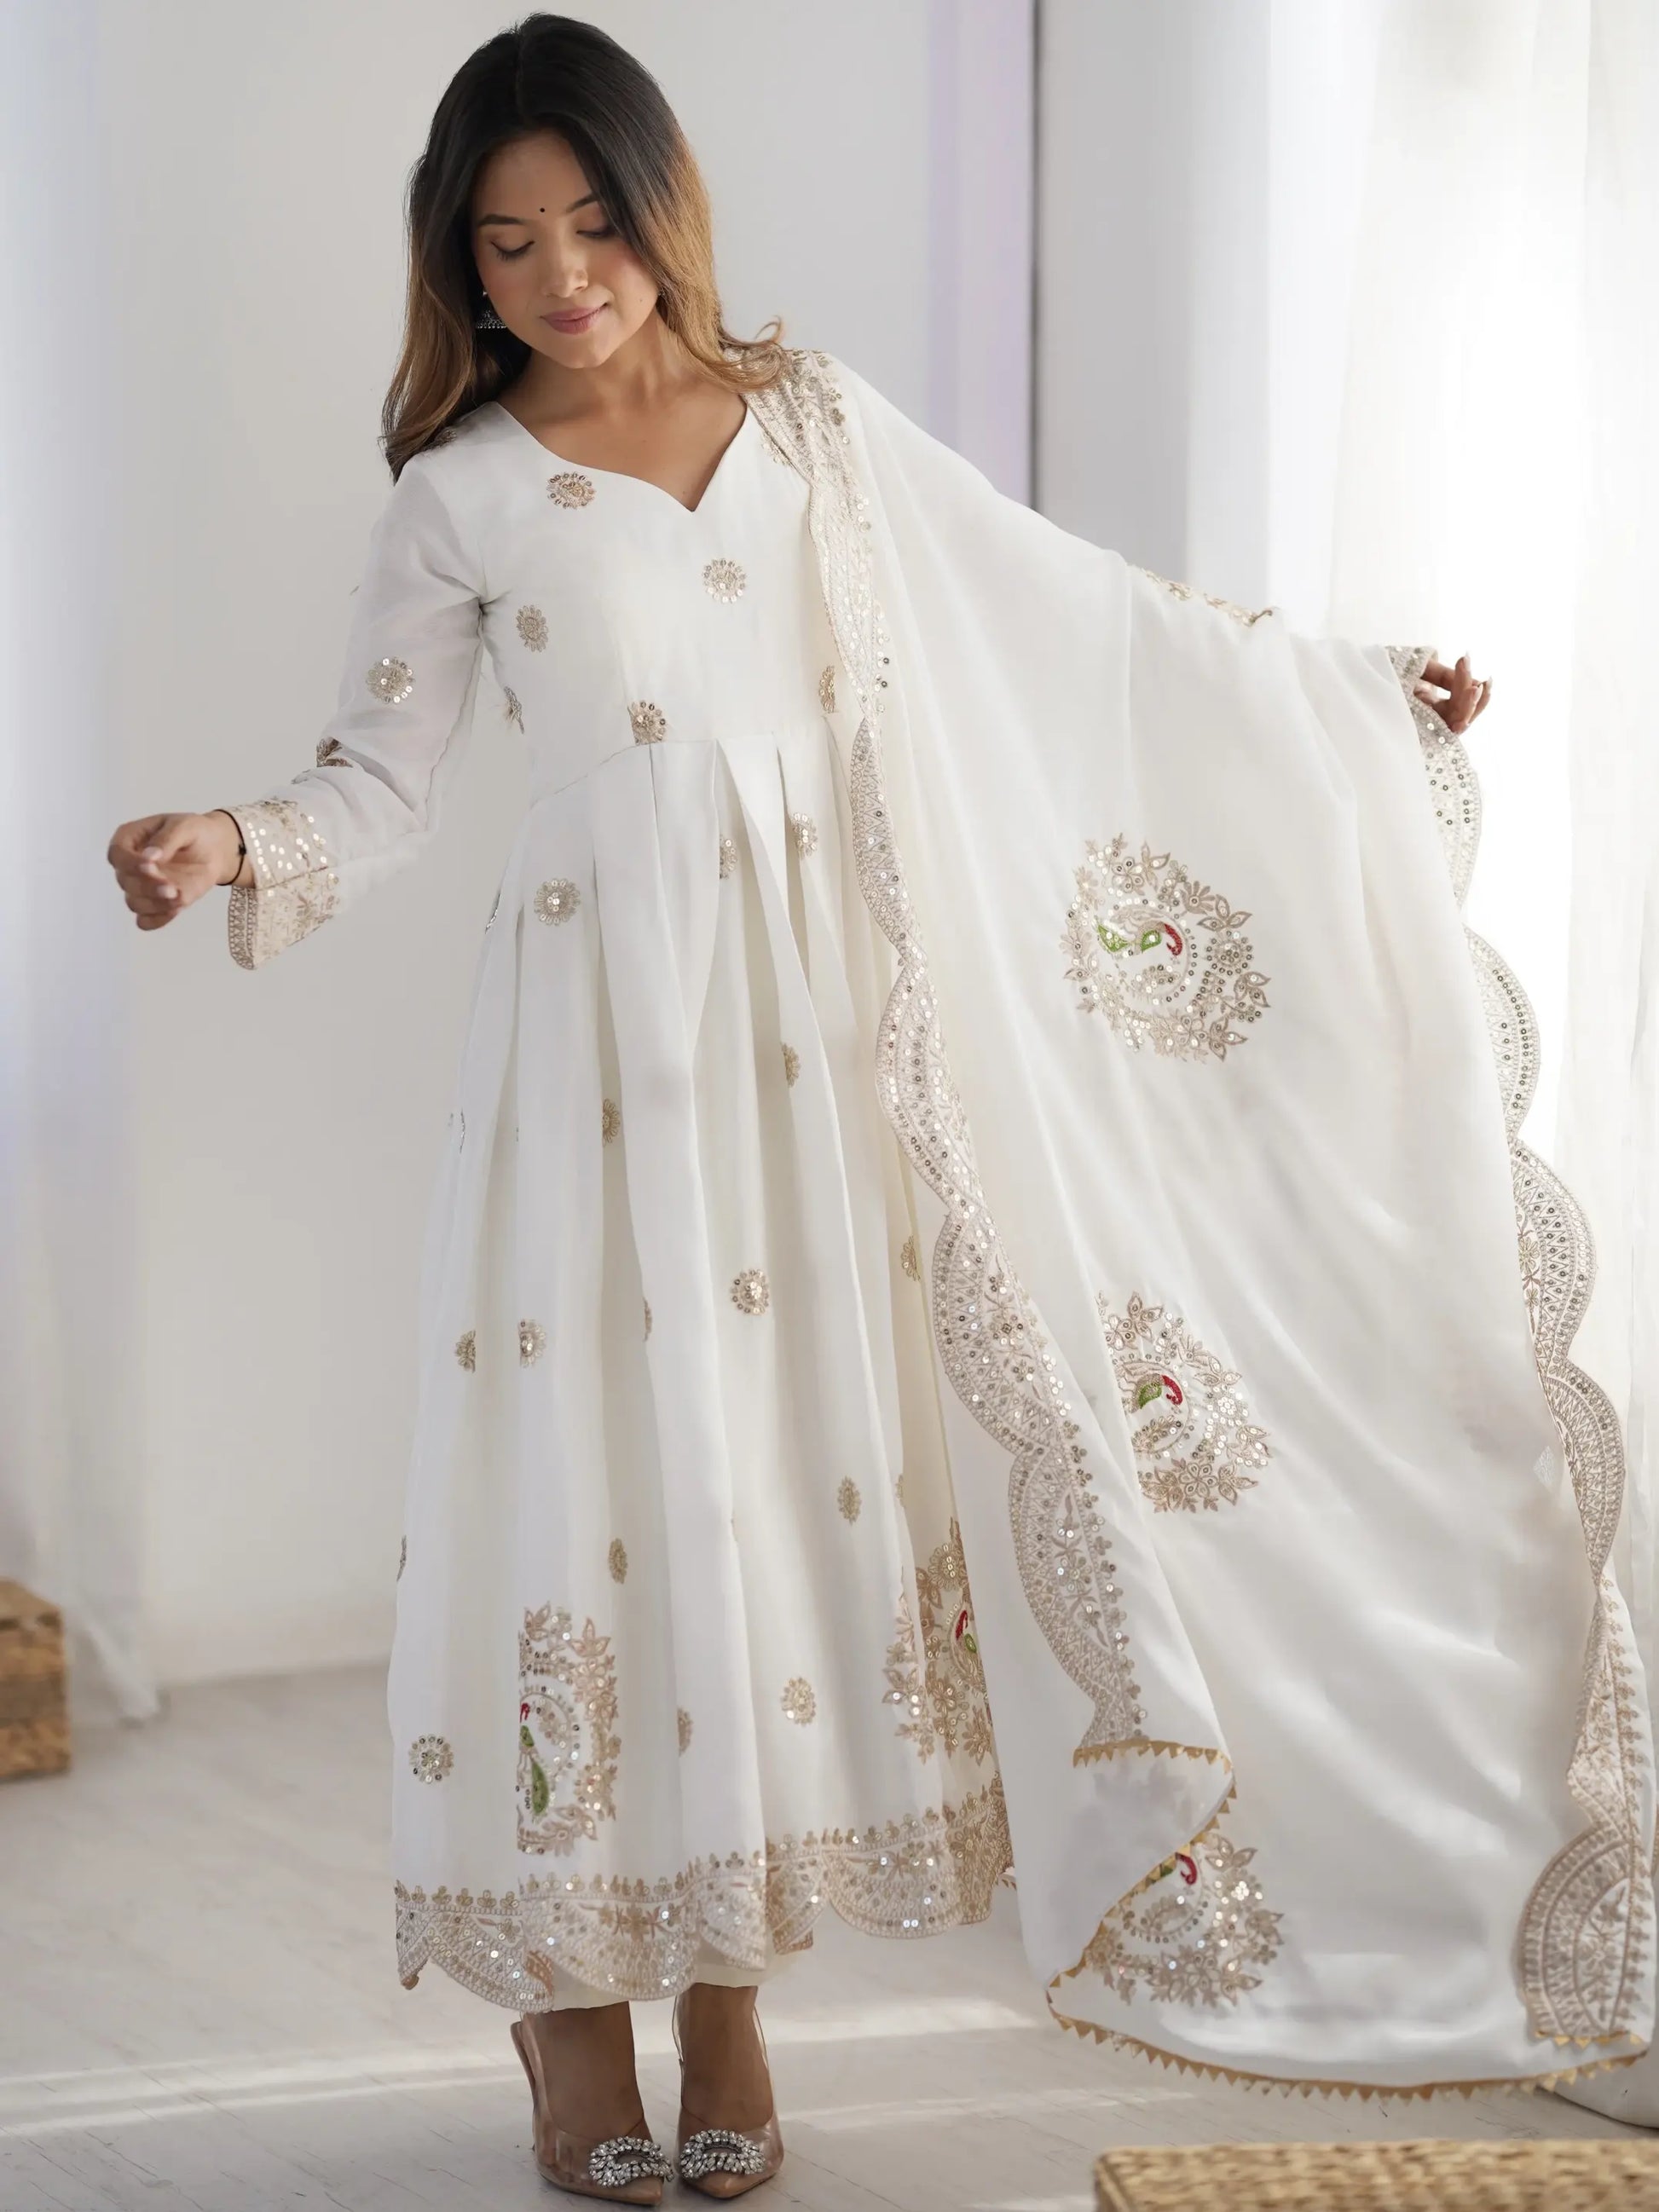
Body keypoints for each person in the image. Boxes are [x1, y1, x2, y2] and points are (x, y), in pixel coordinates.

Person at [107, 12, 1648, 2204]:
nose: (562, 276)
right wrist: (233, 844)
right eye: (508, 244)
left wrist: (1342, 689)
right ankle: (570, 2009)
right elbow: (379, 780)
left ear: (661, 207)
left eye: (592, 223)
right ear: (458, 264)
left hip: (817, 1049)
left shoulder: (811, 424)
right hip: (598, 1061)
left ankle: (727, 1988)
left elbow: (1067, 614)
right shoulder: (460, 496)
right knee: (590, 1482)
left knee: (756, 1487)